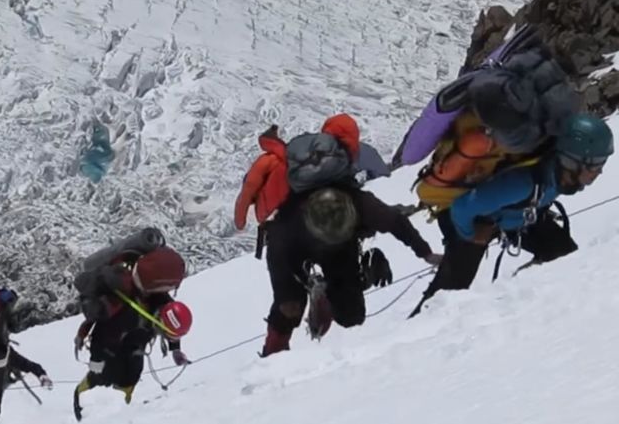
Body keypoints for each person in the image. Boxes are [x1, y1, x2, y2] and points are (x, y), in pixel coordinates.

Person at [409, 113, 614, 317]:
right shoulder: (522, 184)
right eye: (595, 166)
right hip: (473, 218)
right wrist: (470, 235)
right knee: (448, 291)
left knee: (566, 257)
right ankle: (419, 324)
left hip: (517, 215)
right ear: (571, 162)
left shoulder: (559, 177)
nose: (598, 173)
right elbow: (462, 208)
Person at [261, 185, 442, 357]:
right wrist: (287, 296)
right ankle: (272, 359)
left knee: (351, 315)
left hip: (341, 248)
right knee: (289, 308)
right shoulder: (287, 227)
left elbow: (396, 221)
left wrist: (425, 253)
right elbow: (279, 264)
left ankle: (348, 280)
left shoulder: (360, 204)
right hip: (301, 249)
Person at [72, 230, 192, 420]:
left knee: (131, 376)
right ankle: (83, 409)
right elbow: (95, 319)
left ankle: (121, 412)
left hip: (133, 347)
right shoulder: (123, 298)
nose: (167, 335)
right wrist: (82, 335)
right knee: (99, 381)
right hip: (105, 349)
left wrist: (175, 348)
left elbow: (172, 326)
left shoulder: (158, 299)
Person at [0, 287, 52, 424]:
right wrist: (41, 373)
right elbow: (25, 364)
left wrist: (40, 373)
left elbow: (25, 363)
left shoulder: (3, 351)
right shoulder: (6, 353)